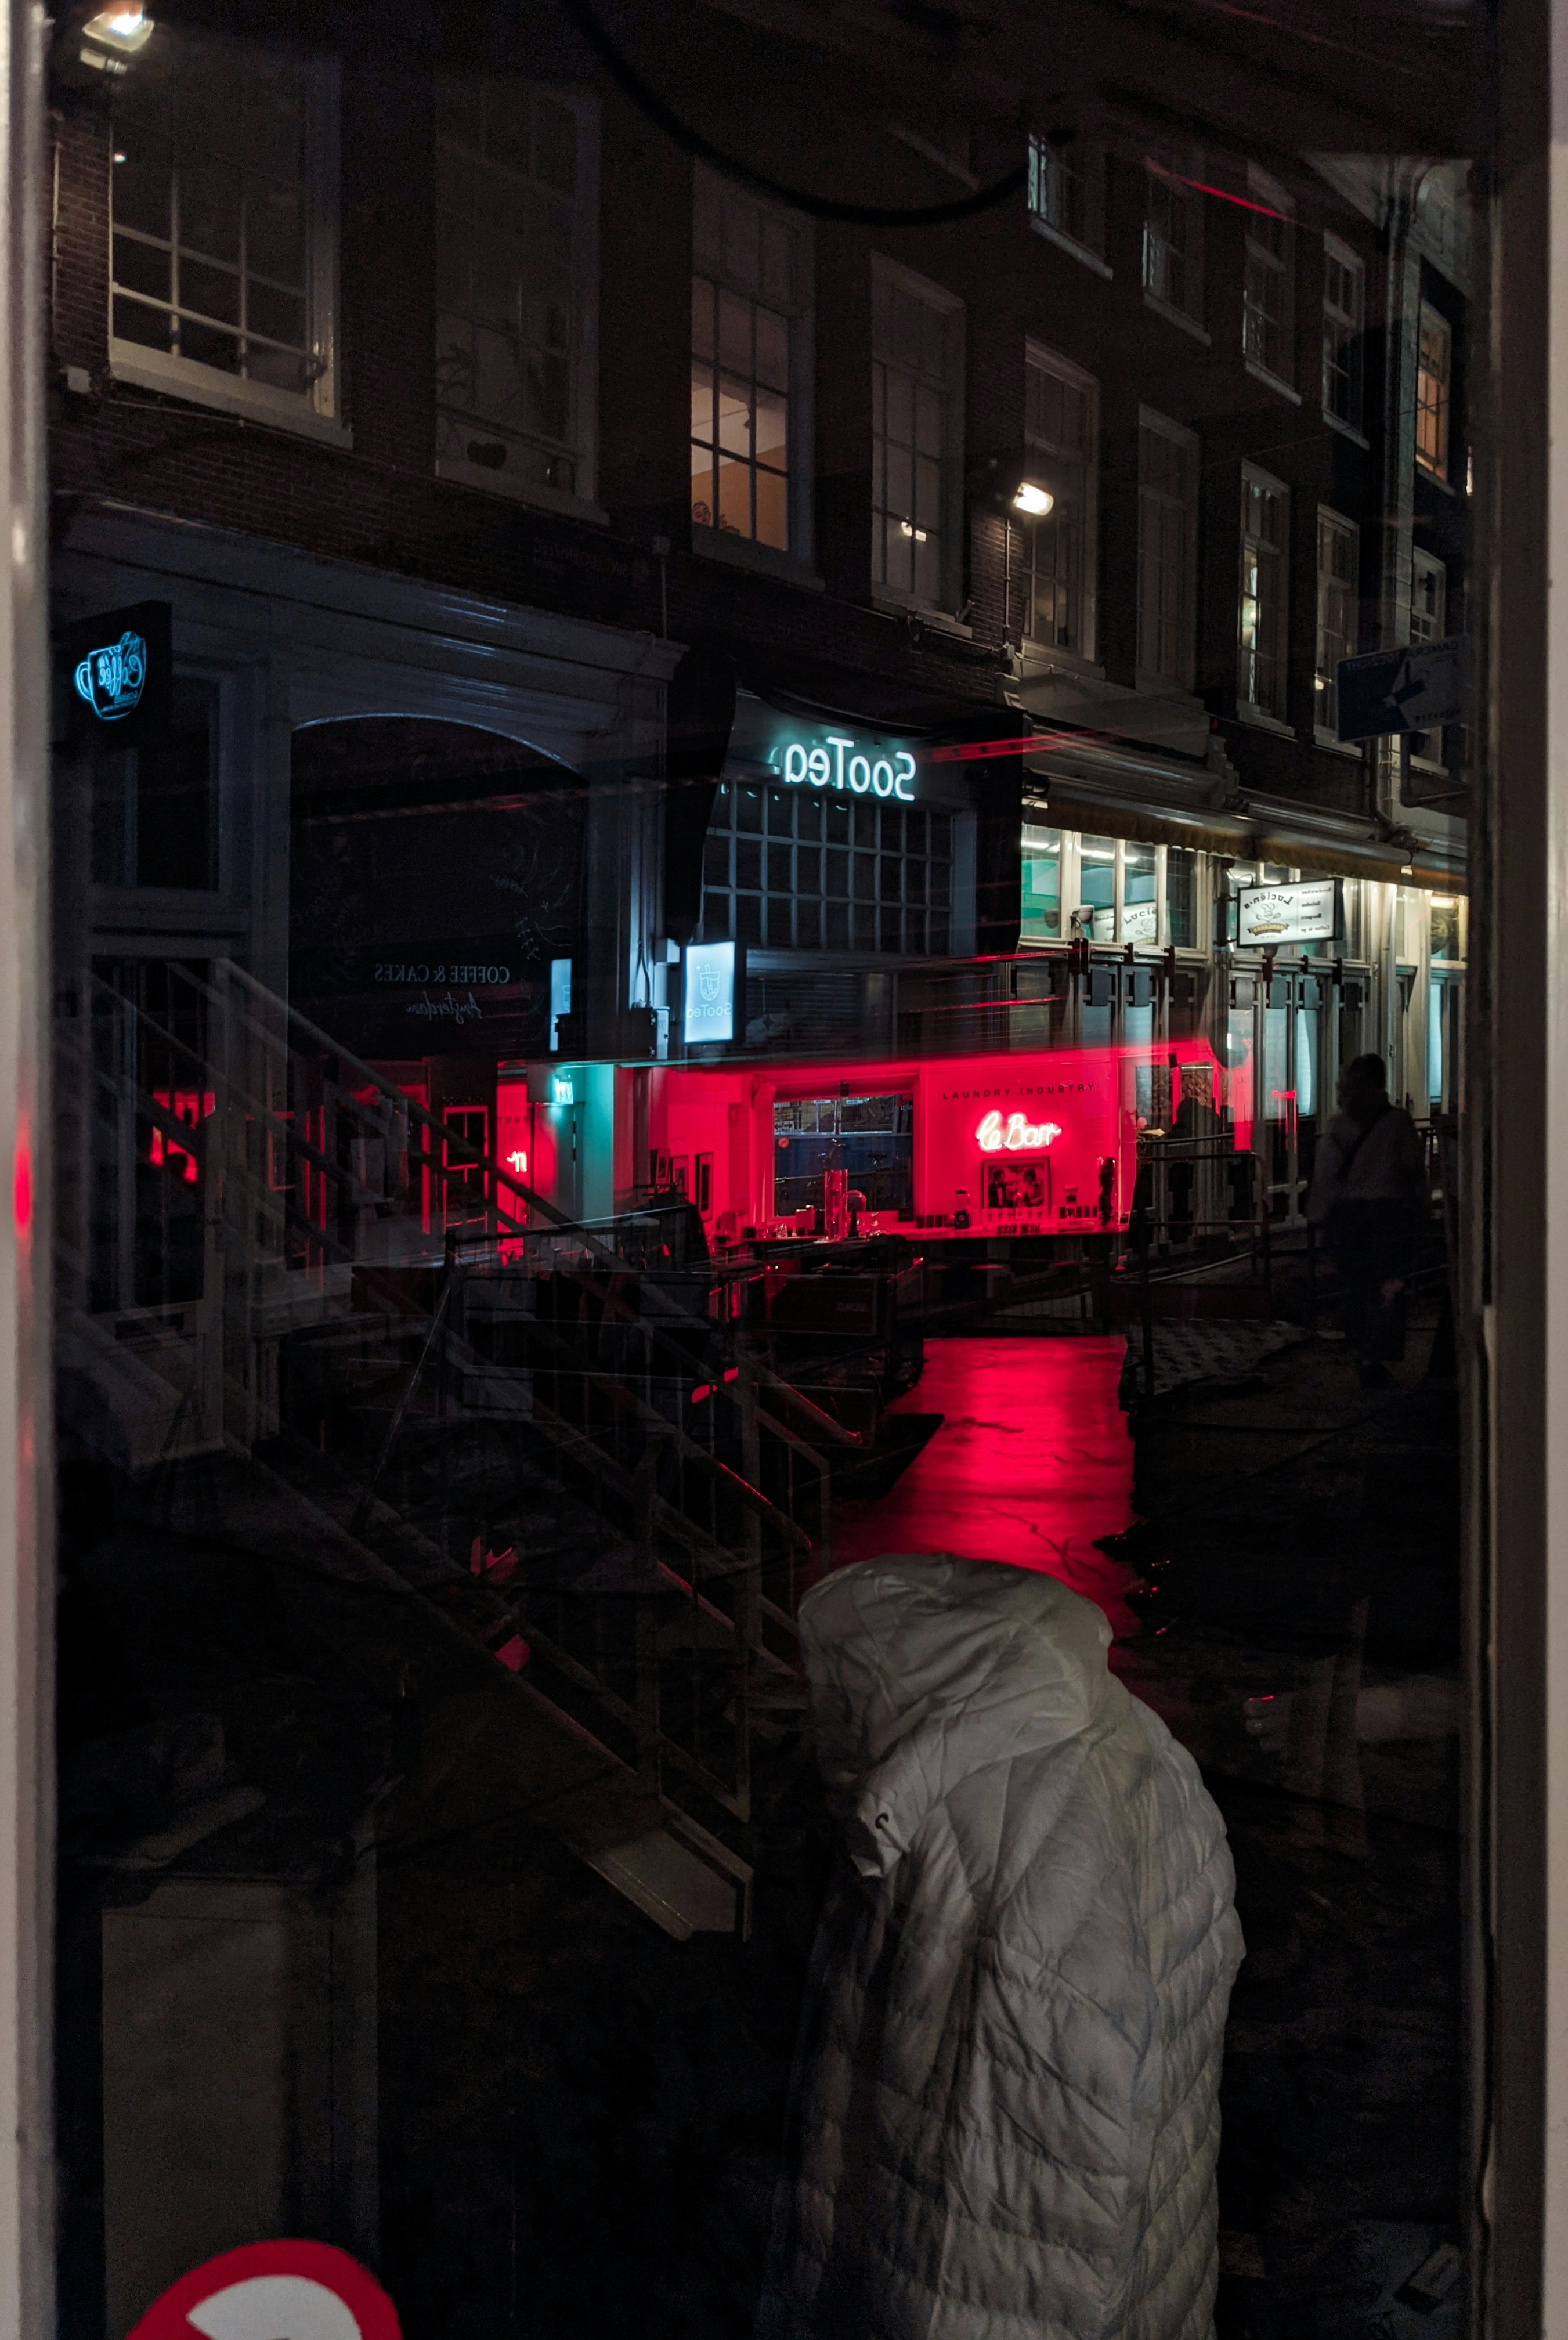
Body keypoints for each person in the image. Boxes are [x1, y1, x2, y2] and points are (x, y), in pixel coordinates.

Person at [757, 1555, 1244, 2340]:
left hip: (1011, 2282)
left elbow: (1016, 2182)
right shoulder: (1130, 1739)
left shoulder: (972, 1828)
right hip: (1152, 2238)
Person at [1306, 1052, 1426, 1388]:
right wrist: (1419, 1205)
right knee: (1387, 1285)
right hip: (1387, 1215)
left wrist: (1320, 1218)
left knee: (1357, 1284)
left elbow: (1327, 1175)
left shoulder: (1338, 1126)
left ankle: (1362, 1347)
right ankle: (1374, 1355)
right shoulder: (1398, 1122)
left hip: (1349, 1216)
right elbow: (1413, 1169)